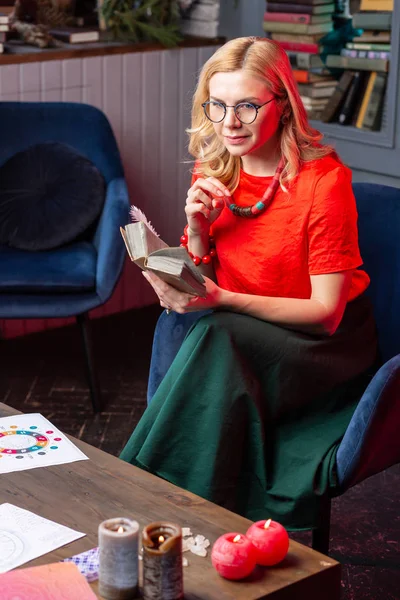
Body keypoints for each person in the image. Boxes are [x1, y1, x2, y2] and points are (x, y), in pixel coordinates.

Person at [120, 37, 378, 530]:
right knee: (199, 332)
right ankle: (174, 510)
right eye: (216, 105)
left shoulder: (325, 182)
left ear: (281, 104)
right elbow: (207, 282)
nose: (229, 122)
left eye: (246, 106)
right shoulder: (215, 167)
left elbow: (326, 314)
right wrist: (196, 230)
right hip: (240, 335)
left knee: (216, 335)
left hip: (320, 345)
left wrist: (222, 300)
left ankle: (152, 499)